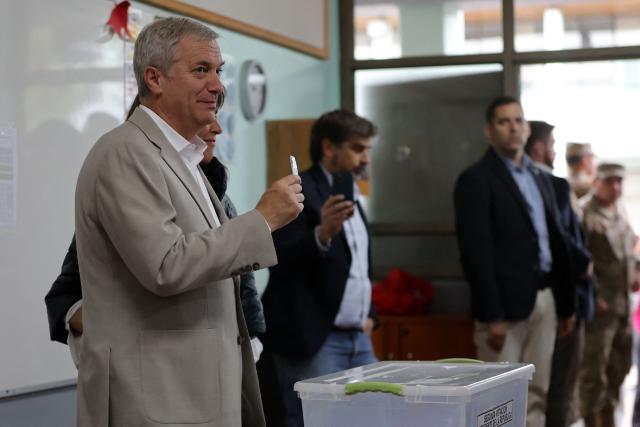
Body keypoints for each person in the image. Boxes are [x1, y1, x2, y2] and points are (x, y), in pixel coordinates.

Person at [73, 17, 303, 426]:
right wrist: (261, 220)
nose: (217, 86)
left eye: (219, 71)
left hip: (198, 394)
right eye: (201, 70)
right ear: (154, 79)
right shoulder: (125, 153)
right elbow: (165, 266)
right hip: (157, 399)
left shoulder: (188, 159)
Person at [45, 94, 267, 364]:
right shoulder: (124, 185)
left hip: (222, 364)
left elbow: (241, 286)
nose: (216, 127)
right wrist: (134, 337)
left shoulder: (218, 196)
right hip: (155, 373)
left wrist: (251, 339)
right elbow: (65, 297)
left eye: (216, 115)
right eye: (204, 116)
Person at [454, 96, 575, 427]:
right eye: (505, 122)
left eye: (519, 120)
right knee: (496, 399)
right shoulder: (476, 179)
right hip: (504, 309)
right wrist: (492, 315)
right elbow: (476, 252)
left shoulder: (541, 178)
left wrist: (566, 305)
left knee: (538, 390)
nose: (514, 127)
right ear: (489, 130)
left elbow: (557, 241)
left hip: (545, 297)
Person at [261, 109, 378, 427]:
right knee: (314, 421)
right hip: (316, 339)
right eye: (357, 148)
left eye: (368, 149)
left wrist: (370, 316)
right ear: (329, 148)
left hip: (358, 336)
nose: (365, 158)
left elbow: (360, 264)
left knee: (376, 414)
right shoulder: (298, 190)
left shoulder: (351, 194)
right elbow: (280, 258)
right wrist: (321, 233)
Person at [524, 121, 594, 427]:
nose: (554, 152)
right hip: (561, 297)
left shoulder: (538, 183)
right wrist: (585, 265)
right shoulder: (551, 185)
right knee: (557, 388)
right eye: (551, 145)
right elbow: (564, 243)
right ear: (538, 147)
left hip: (554, 297)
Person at [578, 163, 639, 427]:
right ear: (596, 182)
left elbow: (631, 245)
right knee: (593, 375)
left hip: (622, 306)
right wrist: (590, 296)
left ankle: (609, 419)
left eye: (619, 181)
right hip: (598, 311)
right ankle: (593, 422)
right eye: (609, 181)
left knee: (620, 367)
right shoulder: (584, 214)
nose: (615, 187)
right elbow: (577, 260)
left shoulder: (620, 210)